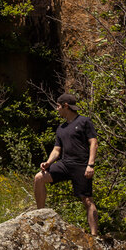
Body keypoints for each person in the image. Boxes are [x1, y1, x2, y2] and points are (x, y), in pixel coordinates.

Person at [34, 94, 99, 236]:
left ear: (65, 106)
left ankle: (95, 237)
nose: (57, 109)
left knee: (87, 200)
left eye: (58, 106)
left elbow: (93, 142)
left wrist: (91, 165)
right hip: (64, 164)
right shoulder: (61, 128)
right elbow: (57, 149)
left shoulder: (84, 121)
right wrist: (48, 162)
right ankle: (40, 216)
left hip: (81, 165)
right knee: (39, 177)